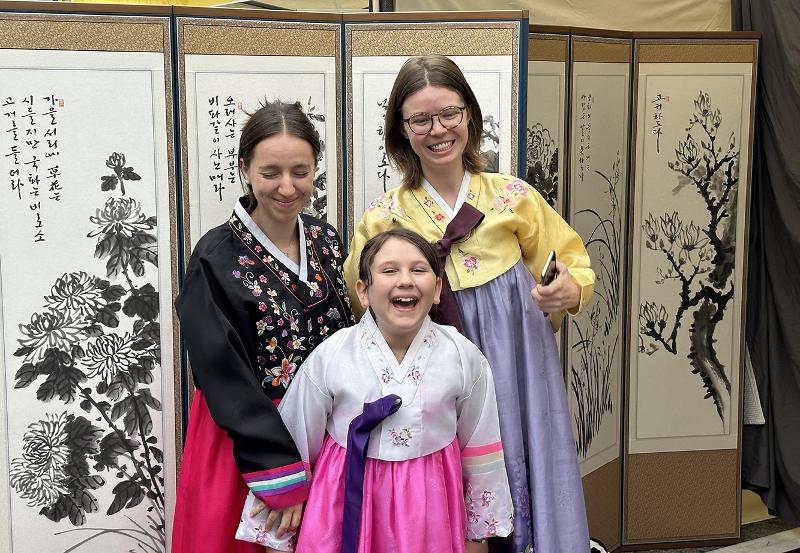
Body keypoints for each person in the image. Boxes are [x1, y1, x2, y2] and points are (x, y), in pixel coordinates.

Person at [343, 55, 594, 553]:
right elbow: (360, 299)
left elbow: (572, 263)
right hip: (428, 371)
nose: (438, 130)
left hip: (513, 364)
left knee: (519, 459)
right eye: (420, 119)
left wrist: (567, 291)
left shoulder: (513, 198)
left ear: (471, 117)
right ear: (401, 130)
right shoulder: (383, 217)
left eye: (450, 114)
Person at [237, 229, 513, 553]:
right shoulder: (332, 356)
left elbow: (481, 448)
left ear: (437, 288)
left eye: (419, 269)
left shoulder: (464, 358)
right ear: (363, 291)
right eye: (389, 270)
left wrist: (477, 535)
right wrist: (281, 520)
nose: (406, 280)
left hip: (431, 512)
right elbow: (294, 440)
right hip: (341, 507)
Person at [171, 100, 354, 553]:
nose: (287, 187)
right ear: (245, 169)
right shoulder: (215, 256)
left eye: (301, 171)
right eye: (271, 172)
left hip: (321, 430)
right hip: (248, 438)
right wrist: (275, 467)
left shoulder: (326, 240)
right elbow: (219, 370)